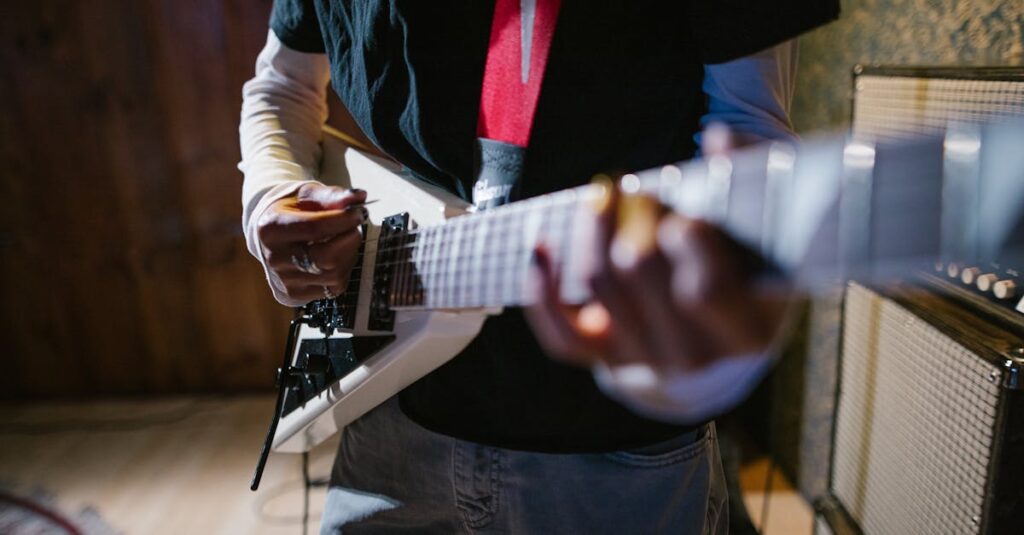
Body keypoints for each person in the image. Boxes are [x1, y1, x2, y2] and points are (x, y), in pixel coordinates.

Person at [239, 1, 839, 532]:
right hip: (389, 422)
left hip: (616, 454)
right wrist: (271, 195)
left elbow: (750, 129)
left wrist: (700, 361)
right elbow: (282, 84)